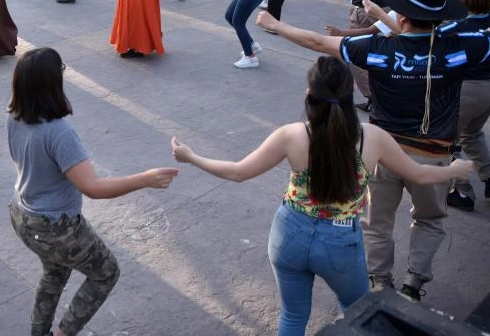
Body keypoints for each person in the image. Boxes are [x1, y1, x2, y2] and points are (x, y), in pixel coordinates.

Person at [256, 0, 490, 299]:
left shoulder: (376, 49)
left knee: (376, 223)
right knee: (429, 220)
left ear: (402, 16)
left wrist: (275, 24)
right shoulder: (461, 47)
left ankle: (379, 283)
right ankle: (413, 285)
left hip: (382, 155)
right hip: (432, 156)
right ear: (441, 16)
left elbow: (320, 43)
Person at [170, 57, 473, 336]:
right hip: (341, 243)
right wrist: (454, 170)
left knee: (292, 315)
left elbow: (237, 172)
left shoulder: (291, 135)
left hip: (288, 234)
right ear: (350, 91)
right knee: (357, 314)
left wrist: (191, 156)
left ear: (308, 92)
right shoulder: (373, 137)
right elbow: (419, 175)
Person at [6, 47, 179, 336]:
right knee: (106, 273)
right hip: (55, 227)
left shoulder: (13, 113)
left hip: (22, 215)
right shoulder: (59, 133)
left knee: (55, 272)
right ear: (52, 82)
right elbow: (93, 188)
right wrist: (145, 178)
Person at [439, 0, 490, 210]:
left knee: (444, 141)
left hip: (468, 91)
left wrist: (380, 16)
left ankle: (462, 191)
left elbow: (419, 39)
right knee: (472, 133)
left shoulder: (458, 27)